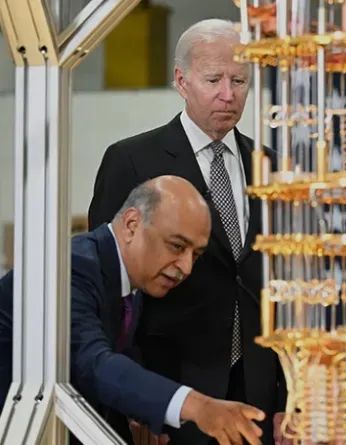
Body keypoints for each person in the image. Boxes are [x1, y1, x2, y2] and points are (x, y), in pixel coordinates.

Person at [88, 19, 286, 445]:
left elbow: (286, 286)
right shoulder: (132, 160)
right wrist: (134, 400)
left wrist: (291, 396)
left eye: (239, 81)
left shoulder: (271, 166)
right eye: (214, 80)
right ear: (181, 81)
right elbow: (109, 290)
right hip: (169, 393)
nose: (228, 94)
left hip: (257, 393)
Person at [0, 176, 266, 445]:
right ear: (132, 225)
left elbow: (122, 358)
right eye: (177, 246)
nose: (186, 268)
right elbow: (93, 363)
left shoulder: (129, 280)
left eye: (195, 255)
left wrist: (140, 414)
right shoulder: (71, 269)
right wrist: (199, 406)